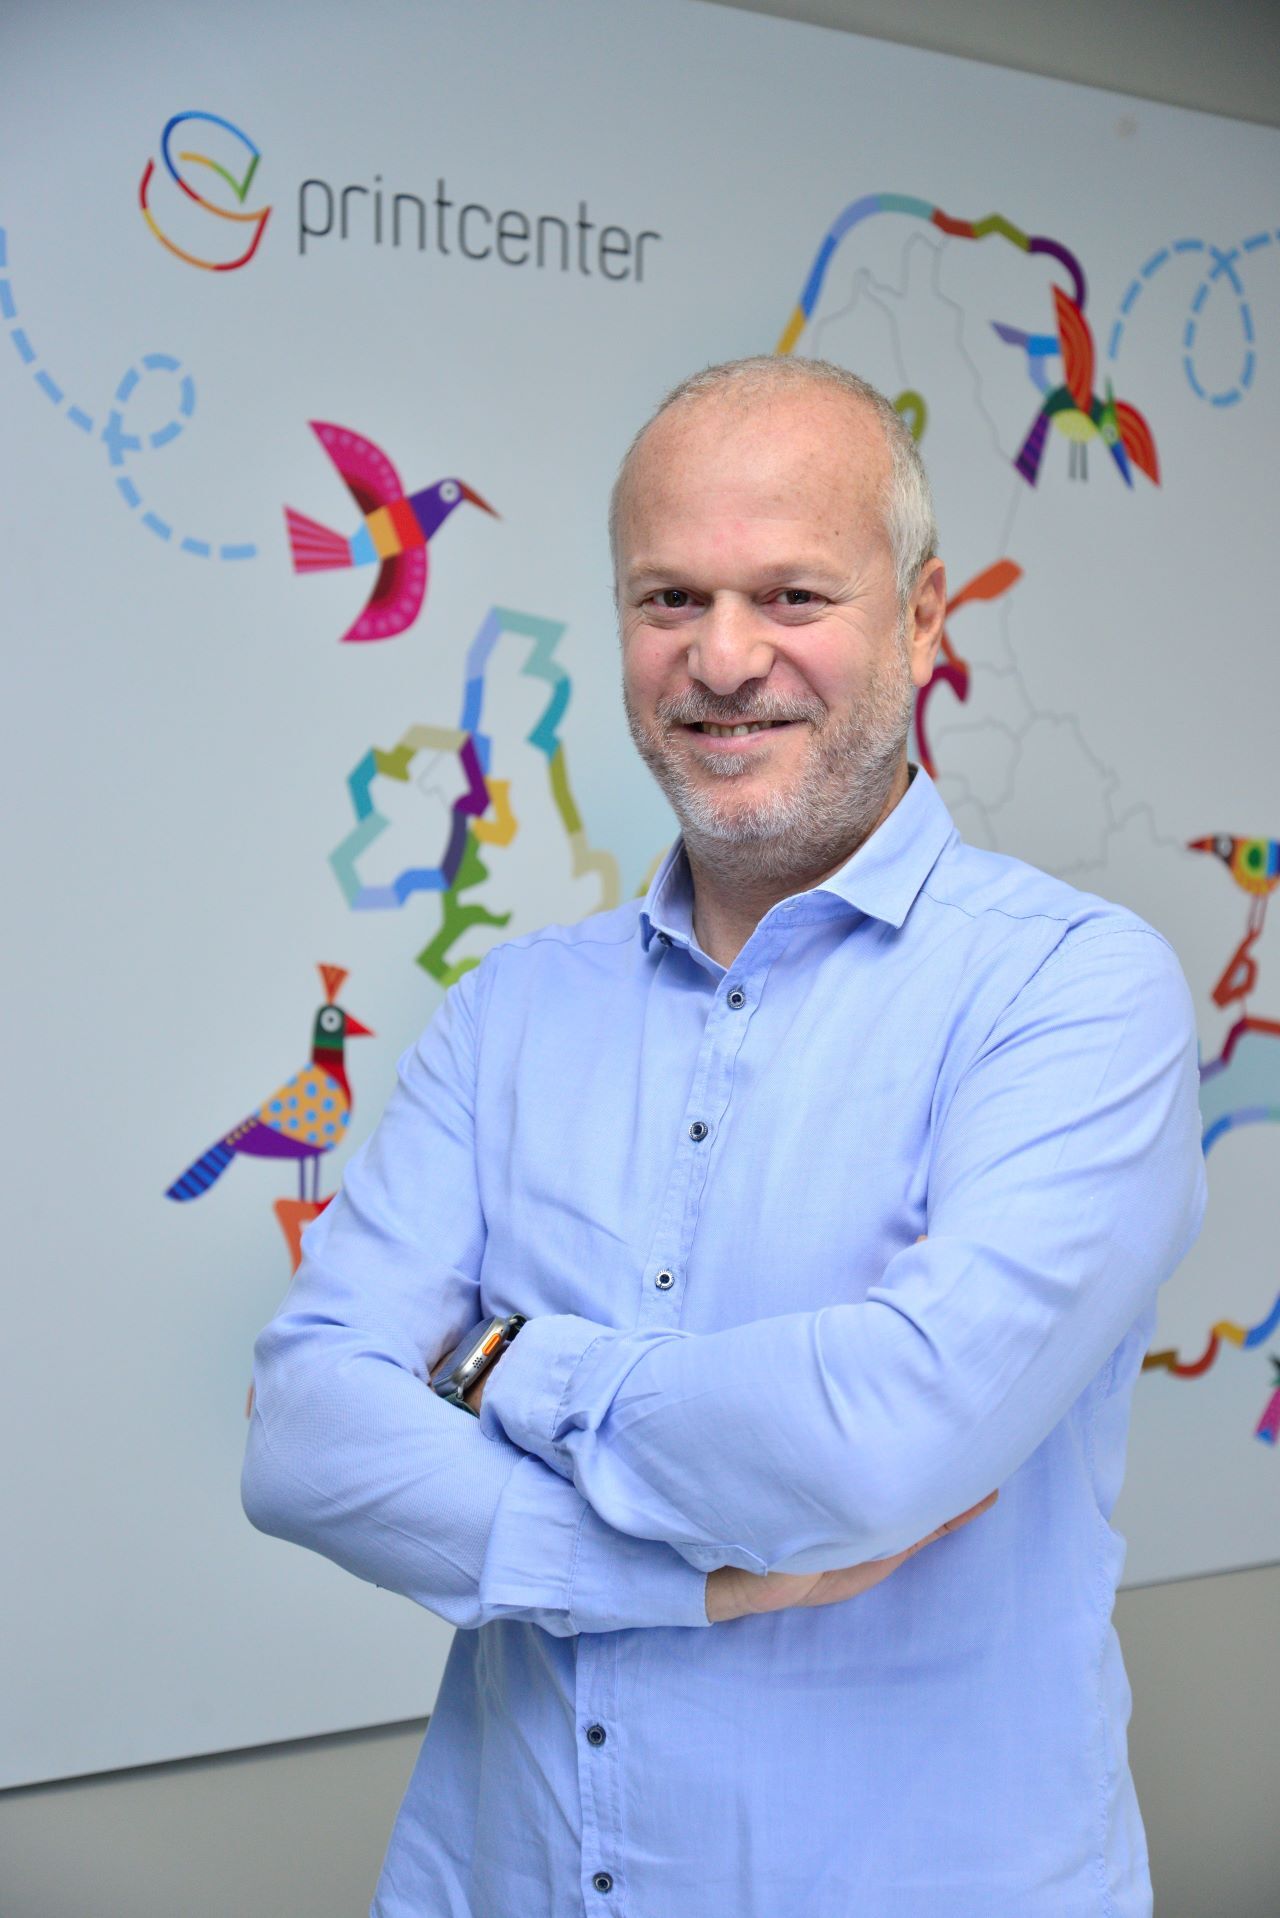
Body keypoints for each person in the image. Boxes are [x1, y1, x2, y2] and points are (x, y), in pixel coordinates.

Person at [242, 355, 1207, 1917]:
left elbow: (880, 1439)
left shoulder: (1075, 991)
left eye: (794, 595)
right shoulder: (506, 1014)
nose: (724, 656)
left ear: (924, 617)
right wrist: (672, 1576)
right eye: (670, 598)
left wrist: (507, 1362)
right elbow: (302, 1432)